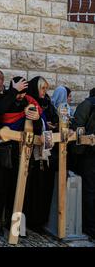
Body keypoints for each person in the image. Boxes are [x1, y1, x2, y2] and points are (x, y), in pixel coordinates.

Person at [0, 76, 41, 236]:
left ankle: (16, 223)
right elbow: (0, 110)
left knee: (19, 188)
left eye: (23, 92)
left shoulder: (30, 102)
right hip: (4, 149)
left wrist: (38, 118)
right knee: (0, 187)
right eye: (18, 91)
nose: (20, 96)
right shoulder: (3, 98)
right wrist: (13, 91)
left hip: (23, 151)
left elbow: (37, 127)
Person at [23, 76, 58, 232]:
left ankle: (39, 221)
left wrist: (51, 124)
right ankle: (25, 222)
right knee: (29, 189)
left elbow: (53, 119)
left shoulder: (47, 103)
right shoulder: (29, 102)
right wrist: (41, 123)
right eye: (42, 88)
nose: (45, 91)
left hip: (46, 152)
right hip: (30, 153)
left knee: (43, 188)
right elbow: (31, 124)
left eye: (46, 88)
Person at [72, 88, 95, 239]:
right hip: (89, 155)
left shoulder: (86, 105)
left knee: (90, 191)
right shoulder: (88, 105)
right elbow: (79, 131)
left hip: (88, 155)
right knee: (91, 191)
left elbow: (78, 129)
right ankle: (90, 226)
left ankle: (90, 226)